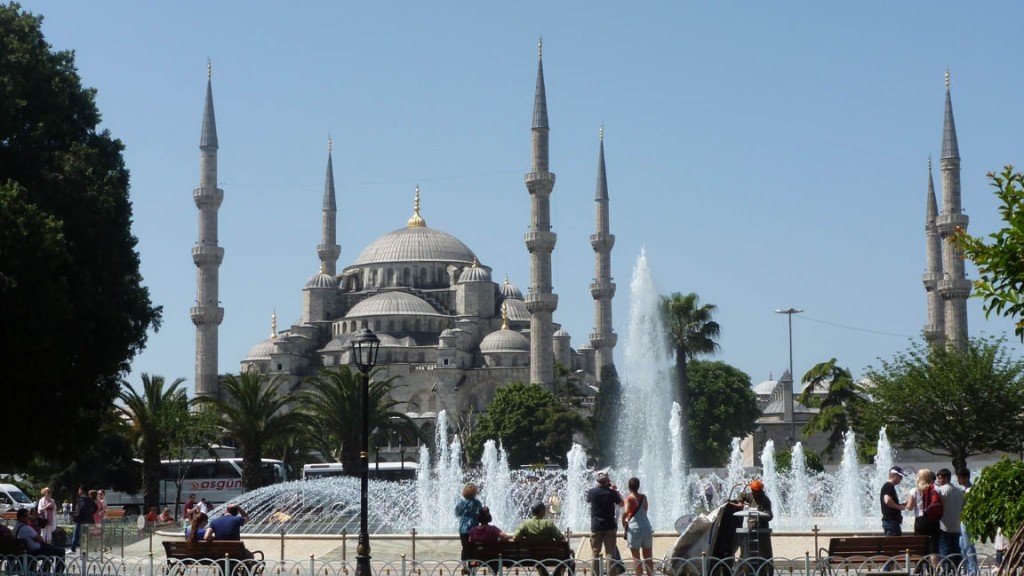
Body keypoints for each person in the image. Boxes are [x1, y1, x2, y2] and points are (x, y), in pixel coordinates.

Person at [586, 471, 623, 576]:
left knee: (595, 552)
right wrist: (615, 490)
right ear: (608, 481)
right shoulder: (611, 493)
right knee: (610, 553)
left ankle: (594, 574)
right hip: (609, 526)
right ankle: (611, 574)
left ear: (598, 481)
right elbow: (621, 503)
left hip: (596, 526)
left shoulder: (592, 492)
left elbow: (588, 500)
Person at [906, 468, 940, 567]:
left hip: (920, 520)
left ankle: (921, 569)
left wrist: (906, 504)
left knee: (921, 546)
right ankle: (935, 570)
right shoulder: (936, 489)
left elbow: (910, 507)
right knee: (933, 548)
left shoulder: (914, 491)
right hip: (933, 519)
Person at [622, 478, 653, 576]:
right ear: (639, 486)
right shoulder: (644, 497)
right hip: (647, 527)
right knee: (648, 556)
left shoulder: (629, 498)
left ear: (629, 487)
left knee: (636, 556)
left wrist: (623, 520)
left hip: (635, 528)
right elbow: (645, 510)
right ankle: (650, 574)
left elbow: (626, 511)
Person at [935, 468, 964, 573]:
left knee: (945, 551)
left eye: (939, 478)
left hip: (944, 526)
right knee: (956, 551)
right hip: (957, 526)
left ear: (946, 478)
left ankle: (947, 572)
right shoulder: (959, 491)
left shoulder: (942, 491)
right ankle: (957, 571)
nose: (938, 481)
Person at [955, 468, 978, 576]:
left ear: (966, 478)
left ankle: (973, 570)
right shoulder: (963, 490)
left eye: (959, 477)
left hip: (967, 520)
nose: (958, 480)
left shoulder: (971, 490)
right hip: (962, 519)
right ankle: (967, 569)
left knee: (969, 545)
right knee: (962, 545)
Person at [455, 482, 483, 566]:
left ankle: (464, 566)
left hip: (463, 528)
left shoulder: (461, 502)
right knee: (472, 548)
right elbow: (480, 514)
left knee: (464, 547)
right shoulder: (477, 503)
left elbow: (457, 513)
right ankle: (472, 567)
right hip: (474, 528)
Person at [69, 486, 96, 553]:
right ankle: (88, 549)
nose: (78, 492)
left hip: (81, 520)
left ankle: (73, 549)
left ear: (81, 491)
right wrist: (91, 513)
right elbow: (96, 507)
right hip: (89, 519)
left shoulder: (82, 498)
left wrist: (77, 515)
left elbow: (82, 507)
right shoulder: (90, 499)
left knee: (76, 534)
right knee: (87, 535)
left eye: (79, 490)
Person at [879, 467, 905, 536]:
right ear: (894, 475)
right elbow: (887, 500)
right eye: (900, 477)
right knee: (893, 545)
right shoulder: (889, 486)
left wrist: (901, 505)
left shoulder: (889, 486)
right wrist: (899, 507)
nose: (901, 479)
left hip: (891, 522)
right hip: (891, 522)